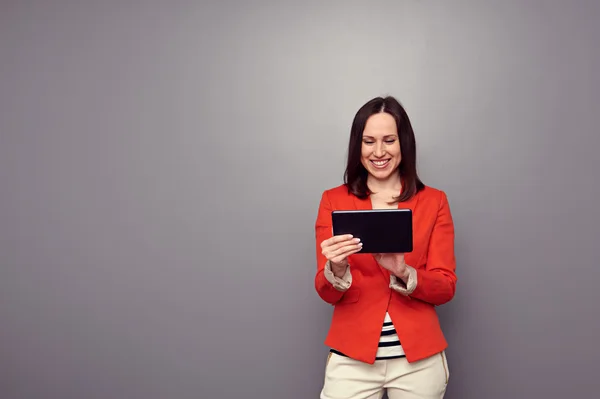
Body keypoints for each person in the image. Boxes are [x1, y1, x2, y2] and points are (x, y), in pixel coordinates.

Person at [314, 96, 457, 399]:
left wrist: (405, 272)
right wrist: (337, 268)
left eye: (389, 140)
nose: (379, 152)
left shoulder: (434, 202)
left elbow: (445, 287)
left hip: (419, 361)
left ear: (403, 143)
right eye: (369, 141)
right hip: (352, 357)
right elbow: (325, 292)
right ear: (358, 146)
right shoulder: (333, 201)